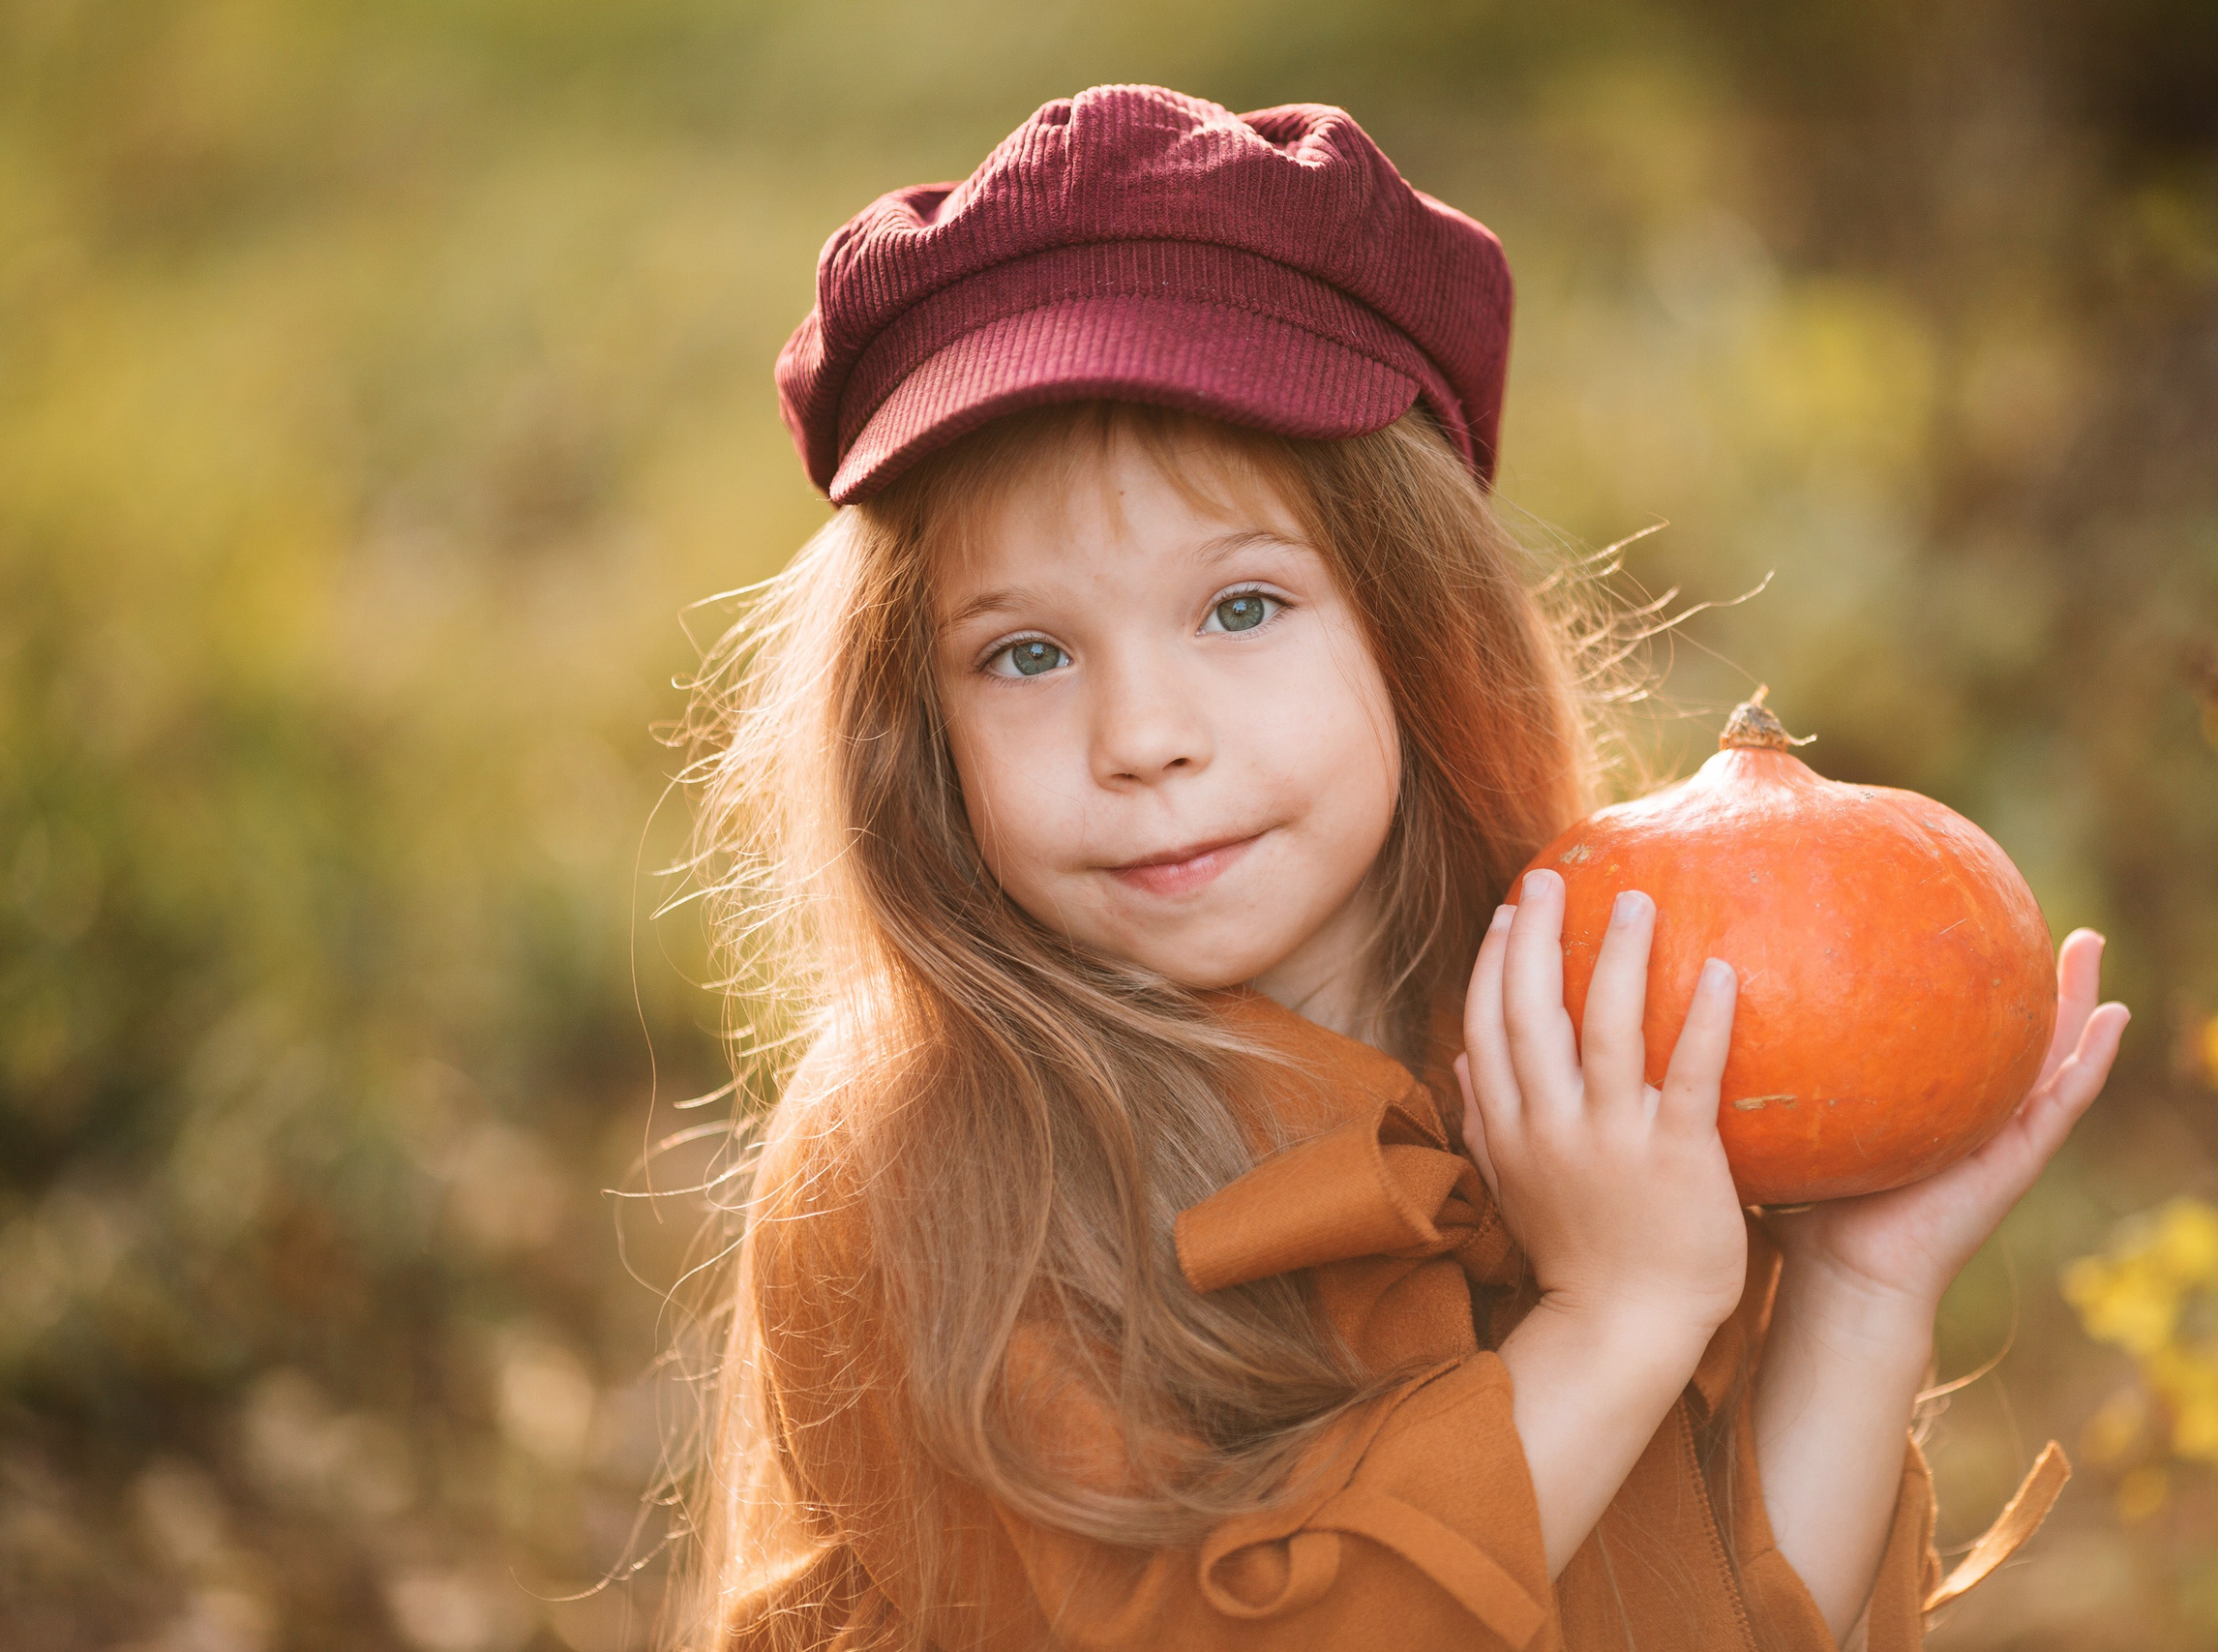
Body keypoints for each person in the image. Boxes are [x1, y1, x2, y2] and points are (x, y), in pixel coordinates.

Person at [679, 83, 2132, 1652]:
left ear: (1418, 631)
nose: (1144, 735)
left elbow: (1744, 1619)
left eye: (1240, 608)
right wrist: (1619, 1318)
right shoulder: (933, 1168)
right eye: (1026, 652)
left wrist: (1855, 1289)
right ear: (917, 726)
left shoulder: (1577, 1042)